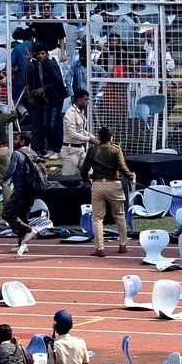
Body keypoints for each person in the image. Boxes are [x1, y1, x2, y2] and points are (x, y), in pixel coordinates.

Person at [79, 127, 134, 257]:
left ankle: (100, 248)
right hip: (114, 184)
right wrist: (131, 178)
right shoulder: (116, 150)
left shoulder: (92, 151)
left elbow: (83, 170)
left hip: (97, 184)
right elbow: (122, 167)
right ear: (111, 138)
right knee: (119, 215)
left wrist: (87, 180)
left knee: (97, 218)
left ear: (98, 138)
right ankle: (123, 244)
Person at [2, 130, 43, 258]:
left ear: (23, 141)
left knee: (7, 213)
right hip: (32, 190)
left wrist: (3, 179)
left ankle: (28, 231)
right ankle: (22, 244)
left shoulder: (17, 153)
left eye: (17, 139)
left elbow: (11, 169)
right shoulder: (33, 153)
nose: (15, 141)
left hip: (21, 190)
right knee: (23, 216)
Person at [61, 90, 97, 176]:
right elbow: (72, 134)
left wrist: (94, 138)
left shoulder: (80, 112)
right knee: (67, 180)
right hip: (70, 151)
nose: (88, 102)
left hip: (80, 150)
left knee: (90, 175)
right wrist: (90, 139)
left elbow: (82, 131)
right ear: (79, 100)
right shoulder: (70, 113)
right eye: (86, 99)